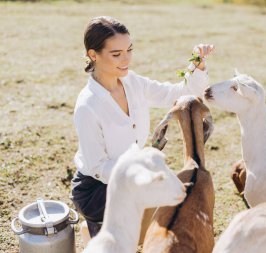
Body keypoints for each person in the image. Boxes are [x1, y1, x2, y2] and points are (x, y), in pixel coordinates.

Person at [70, 16, 214, 237]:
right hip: (96, 190)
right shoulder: (88, 106)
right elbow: (98, 167)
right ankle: (97, 230)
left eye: (129, 50)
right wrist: (142, 171)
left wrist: (197, 65)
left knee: (173, 199)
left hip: (133, 176)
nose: (126, 59)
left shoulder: (132, 82)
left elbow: (175, 94)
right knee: (165, 200)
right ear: (93, 55)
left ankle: (104, 232)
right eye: (116, 54)